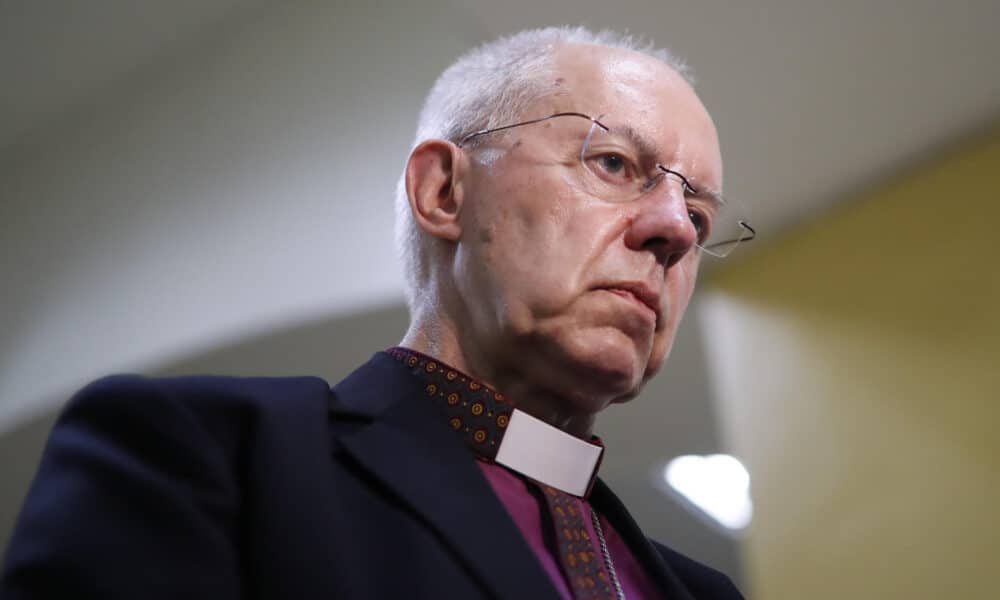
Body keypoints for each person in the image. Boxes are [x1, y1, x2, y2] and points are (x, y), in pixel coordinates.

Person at [1, 26, 752, 599]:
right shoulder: (208, 456)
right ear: (443, 193)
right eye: (614, 164)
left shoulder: (706, 590)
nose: (675, 231)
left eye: (699, 215)